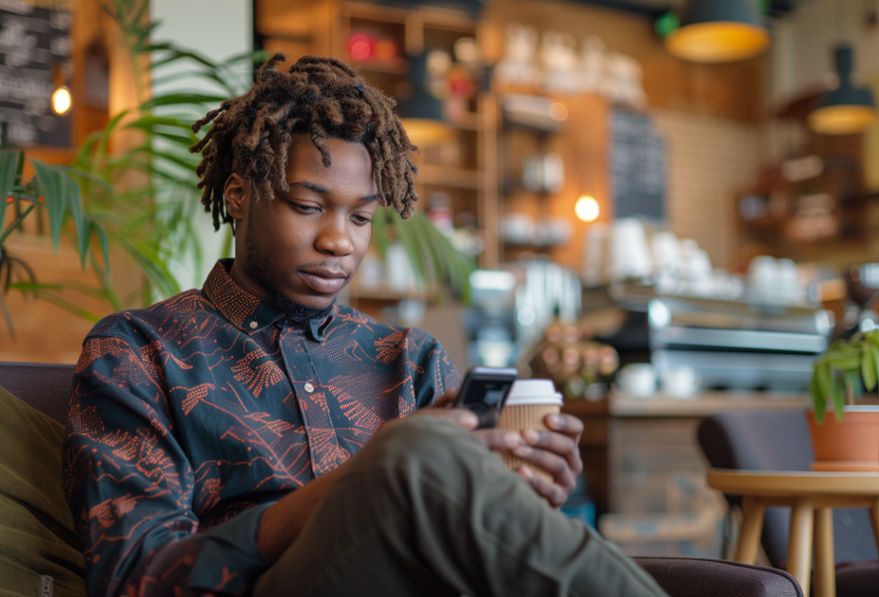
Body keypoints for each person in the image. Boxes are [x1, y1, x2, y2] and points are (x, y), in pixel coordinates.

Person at [63, 54, 665, 596]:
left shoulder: (412, 359)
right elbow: (134, 578)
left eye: (361, 218)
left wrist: (524, 491)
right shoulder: (139, 351)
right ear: (240, 195)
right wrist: (379, 473)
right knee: (419, 449)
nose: (338, 242)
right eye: (308, 206)